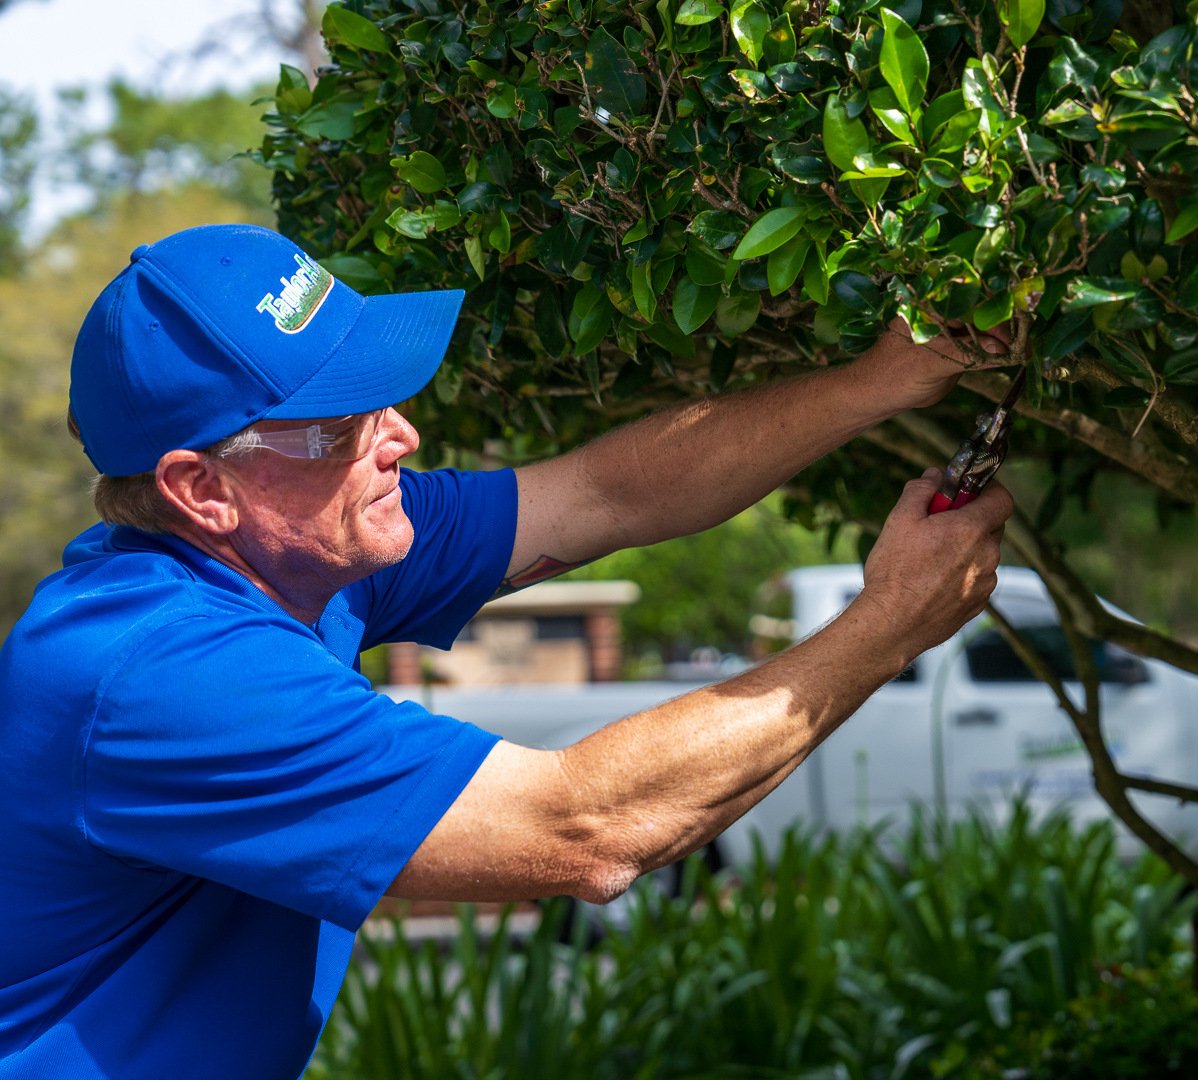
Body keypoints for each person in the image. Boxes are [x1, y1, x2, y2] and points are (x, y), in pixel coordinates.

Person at [0, 224, 1012, 1078]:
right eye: (341, 422)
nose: (398, 433)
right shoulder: (162, 675)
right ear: (202, 489)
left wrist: (881, 380)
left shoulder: (311, 556)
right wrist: (893, 623)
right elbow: (589, 829)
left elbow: (603, 494)